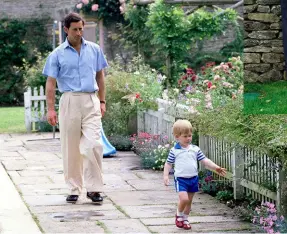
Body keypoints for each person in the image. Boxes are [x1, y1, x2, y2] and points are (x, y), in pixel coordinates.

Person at [42, 12, 108, 203]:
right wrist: (51, 109)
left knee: (93, 145)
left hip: (91, 100)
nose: (79, 33)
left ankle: (94, 188)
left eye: (81, 29)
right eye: (75, 29)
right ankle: (73, 188)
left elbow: (100, 76)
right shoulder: (56, 54)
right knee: (70, 148)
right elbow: (50, 83)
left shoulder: (95, 50)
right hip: (69, 100)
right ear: (66, 30)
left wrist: (102, 101)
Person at [163, 119, 226, 230]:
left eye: (190, 135)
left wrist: (216, 167)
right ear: (177, 137)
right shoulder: (174, 151)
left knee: (189, 201)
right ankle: (178, 215)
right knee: (184, 199)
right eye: (185, 136)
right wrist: (166, 175)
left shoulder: (195, 149)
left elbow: (205, 160)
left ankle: (185, 219)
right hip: (181, 179)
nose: (188, 138)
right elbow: (168, 164)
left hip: (193, 178)